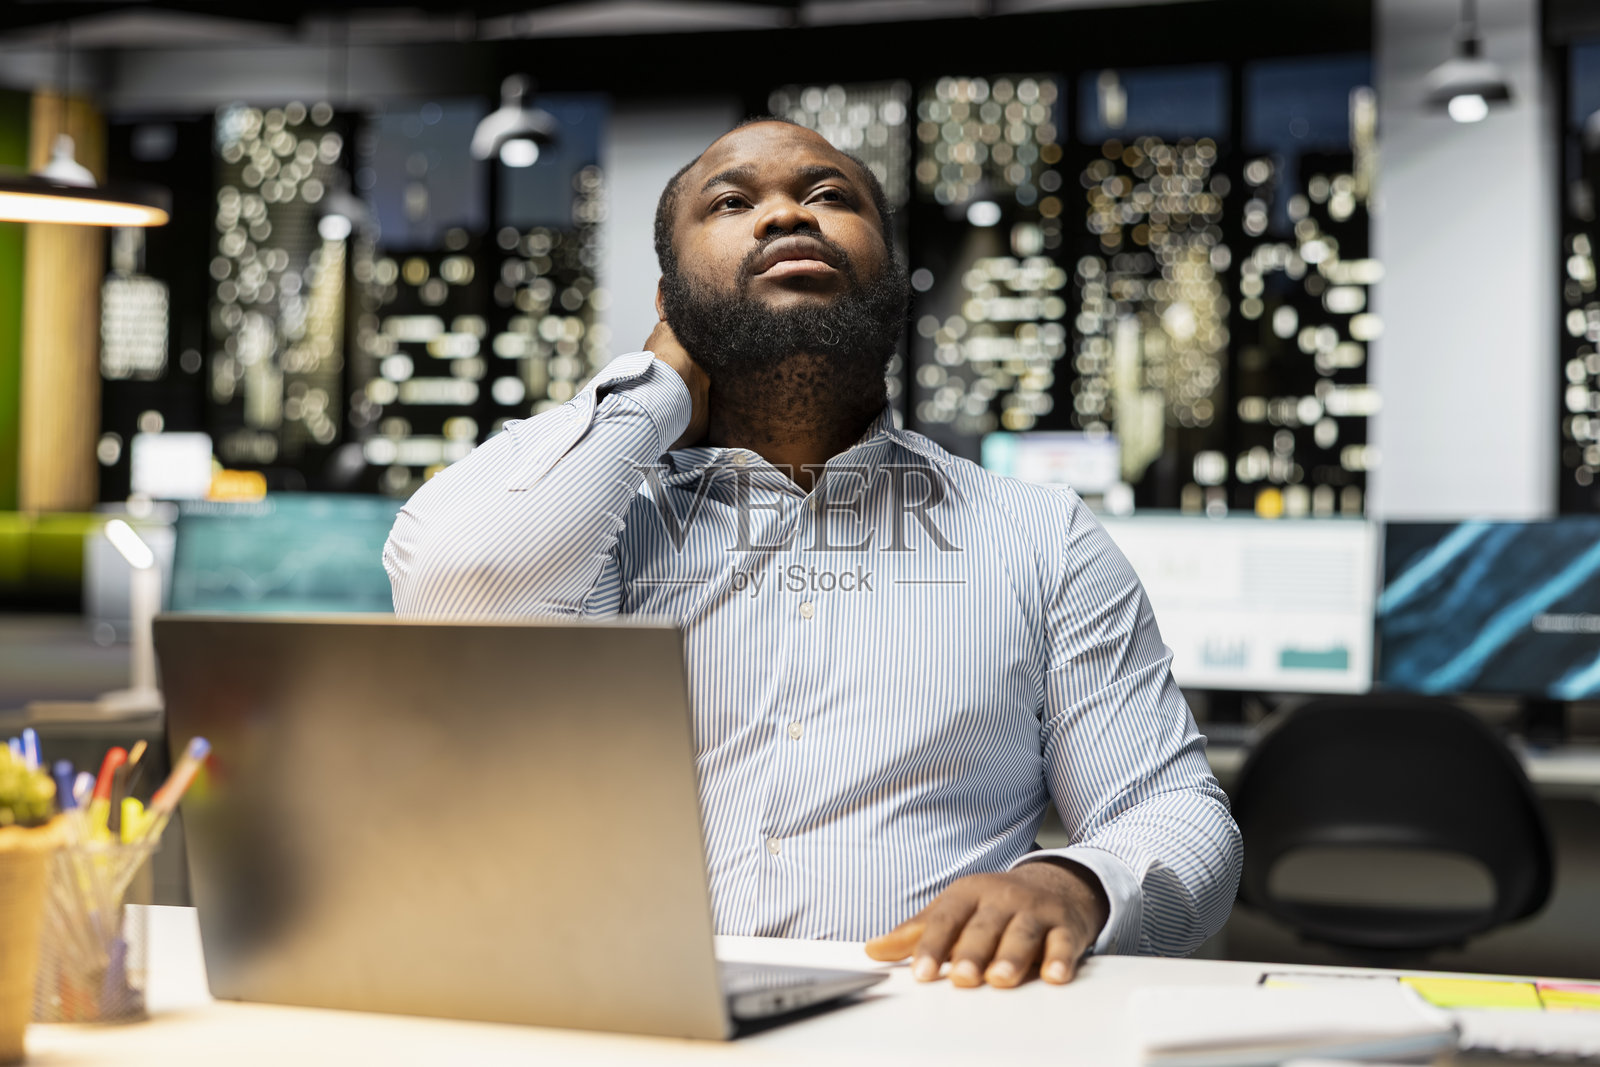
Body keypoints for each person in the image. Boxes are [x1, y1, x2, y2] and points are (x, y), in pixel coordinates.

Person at [385, 118, 1242, 989]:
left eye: (830, 196)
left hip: (920, 1034)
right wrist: (663, 378)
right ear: (667, 298)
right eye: (731, 202)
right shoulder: (598, 529)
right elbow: (456, 586)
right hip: (623, 1016)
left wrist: (1075, 883)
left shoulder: (1042, 537)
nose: (786, 216)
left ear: (891, 278)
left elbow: (1172, 812)